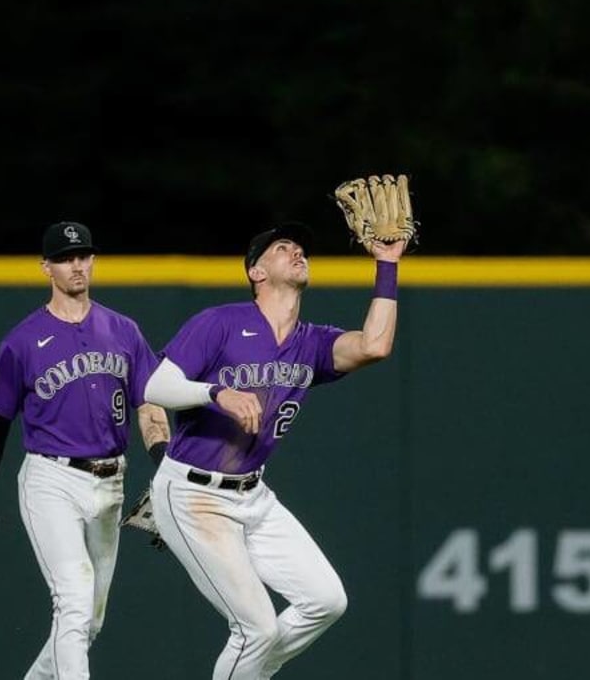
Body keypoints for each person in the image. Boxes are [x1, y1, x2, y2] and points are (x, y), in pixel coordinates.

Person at [0, 220, 233, 679]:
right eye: (66, 258)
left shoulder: (122, 330)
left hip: (111, 482)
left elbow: (149, 406)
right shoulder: (23, 341)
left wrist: (164, 470)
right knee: (72, 597)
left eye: (84, 255)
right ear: (46, 267)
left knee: (88, 622)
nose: (77, 265)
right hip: (52, 479)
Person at [142, 220, 407, 679]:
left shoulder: (311, 342)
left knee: (326, 600)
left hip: (253, 496)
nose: (297, 250)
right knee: (256, 629)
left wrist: (386, 266)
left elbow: (375, 345)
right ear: (256, 272)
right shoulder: (220, 323)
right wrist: (216, 394)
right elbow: (156, 385)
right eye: (283, 247)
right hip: (192, 494)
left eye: (300, 246)